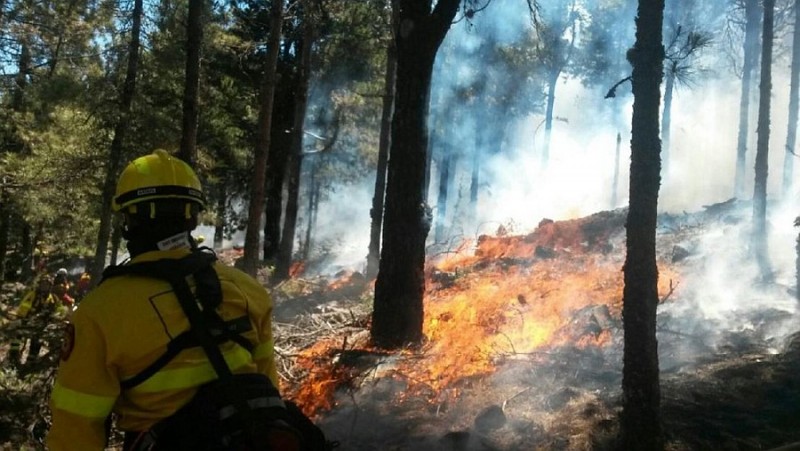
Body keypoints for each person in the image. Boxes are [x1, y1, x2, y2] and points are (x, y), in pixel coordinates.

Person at [47, 150, 281, 450]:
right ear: (193, 216)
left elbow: (75, 431)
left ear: (129, 219)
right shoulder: (248, 290)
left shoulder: (99, 313)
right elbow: (269, 394)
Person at [7, 275, 62, 366]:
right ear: (39, 285)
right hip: (26, 320)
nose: (44, 286)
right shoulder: (32, 294)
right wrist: (25, 318)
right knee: (17, 334)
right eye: (43, 284)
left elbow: (52, 314)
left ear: (50, 287)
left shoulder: (52, 299)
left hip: (40, 324)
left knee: (37, 339)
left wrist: (45, 319)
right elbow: (23, 308)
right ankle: (13, 356)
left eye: (47, 285)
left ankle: (31, 360)